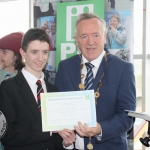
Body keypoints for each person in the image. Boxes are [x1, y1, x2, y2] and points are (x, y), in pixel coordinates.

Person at [54, 12, 136, 150]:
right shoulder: (65, 67)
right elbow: (58, 111)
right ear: (77, 40)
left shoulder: (123, 69)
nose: (90, 42)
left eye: (96, 35)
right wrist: (66, 139)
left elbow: (127, 116)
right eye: (84, 36)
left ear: (105, 37)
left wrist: (100, 129)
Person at [0, 28, 64, 150]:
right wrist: (48, 129)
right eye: (34, 52)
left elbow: (56, 139)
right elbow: (7, 134)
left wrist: (67, 143)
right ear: (23, 53)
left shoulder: (53, 90)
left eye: (45, 52)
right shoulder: (8, 88)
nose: (41, 58)